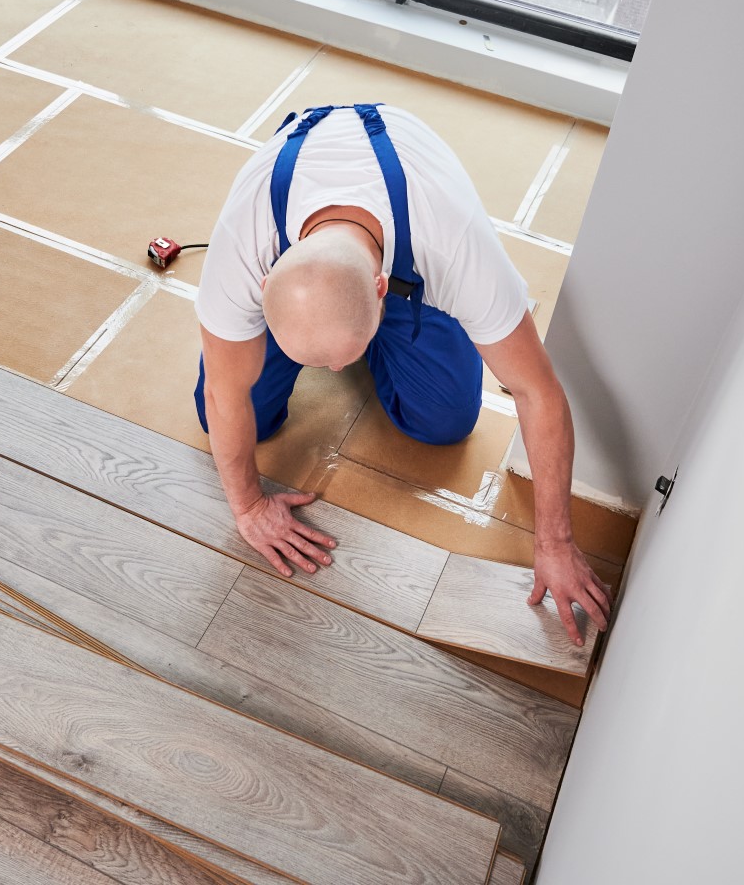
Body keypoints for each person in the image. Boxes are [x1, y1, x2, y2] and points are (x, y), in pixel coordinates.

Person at [192, 102, 611, 645]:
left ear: (380, 289)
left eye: (342, 356)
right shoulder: (241, 249)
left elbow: (538, 391)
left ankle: (384, 327)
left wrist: (554, 544)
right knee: (224, 414)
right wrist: (247, 507)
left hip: (415, 247)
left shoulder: (456, 249)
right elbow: (228, 393)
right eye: (318, 361)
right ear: (266, 285)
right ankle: (331, 327)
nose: (336, 372)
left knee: (444, 422)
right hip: (330, 260)